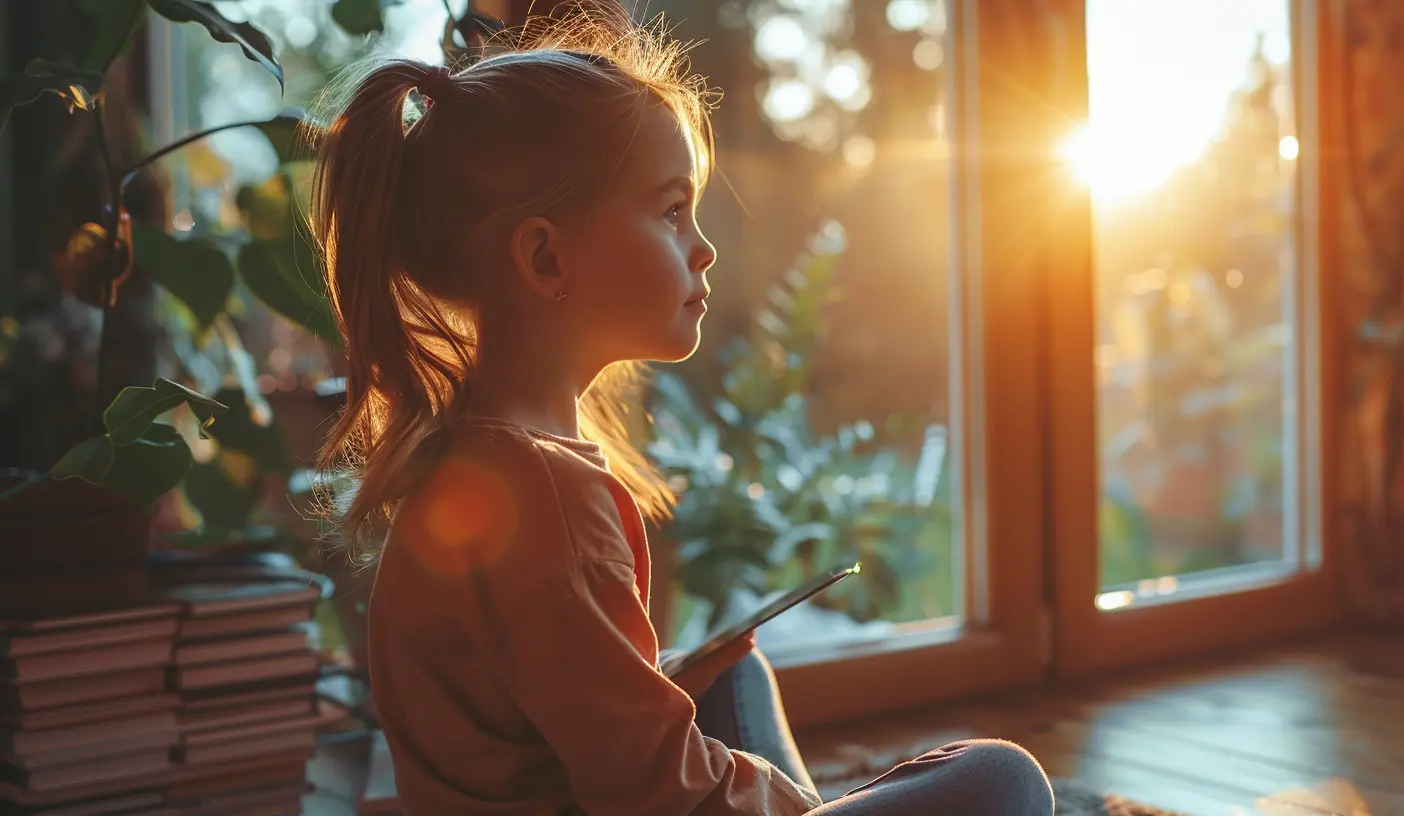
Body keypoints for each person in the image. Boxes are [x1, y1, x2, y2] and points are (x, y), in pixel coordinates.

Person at [310, 3, 1055, 814]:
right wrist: (782, 799)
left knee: (731, 674)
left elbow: (533, 722)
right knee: (1003, 780)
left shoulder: (476, 460)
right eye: (670, 211)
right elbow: (657, 793)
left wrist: (655, 693)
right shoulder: (543, 491)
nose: (703, 247)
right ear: (546, 255)